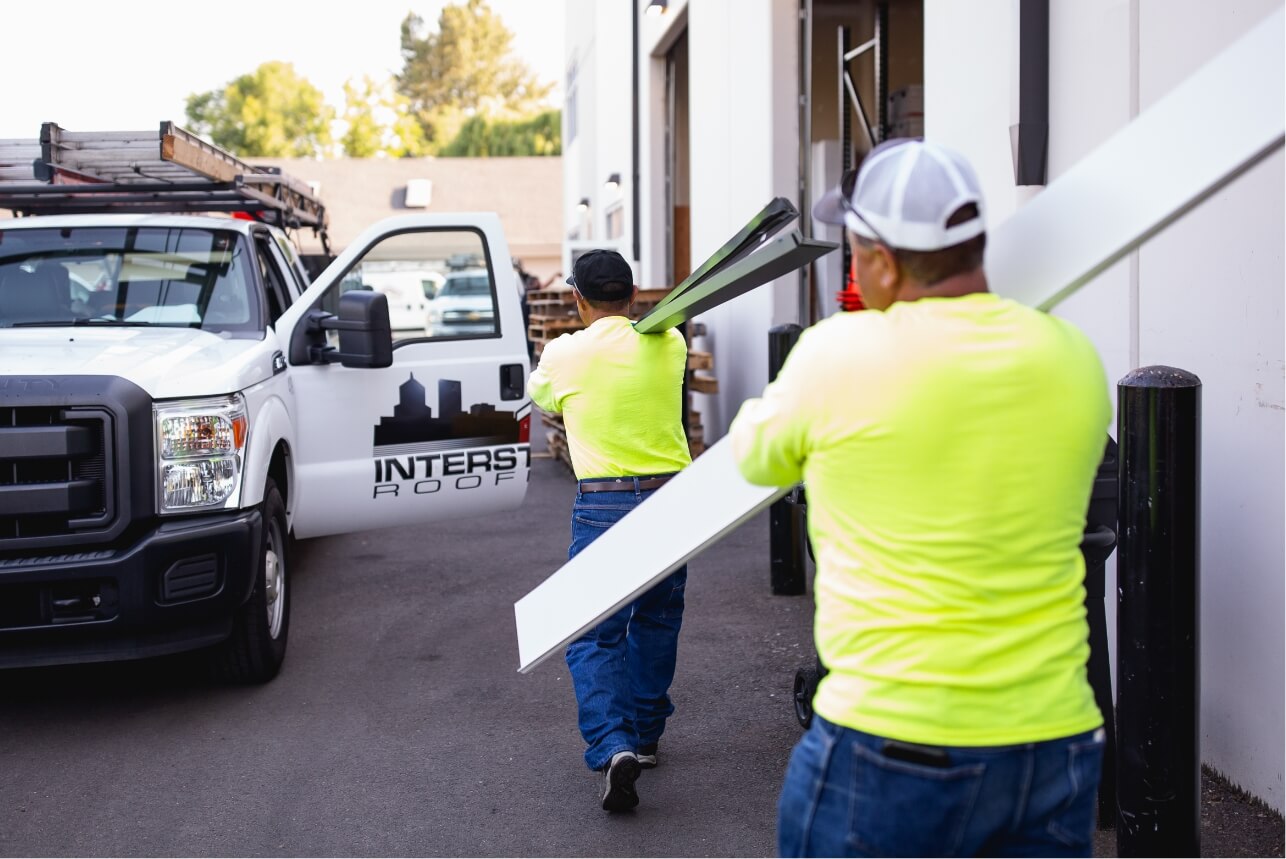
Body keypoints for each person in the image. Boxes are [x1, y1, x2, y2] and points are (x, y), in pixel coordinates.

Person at [729, 139, 1111, 857]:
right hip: (1052, 745)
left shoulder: (836, 356)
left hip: (891, 743)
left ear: (882, 259)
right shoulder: (1072, 356)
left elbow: (756, 457)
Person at [527, 248, 692, 812]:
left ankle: (612, 742)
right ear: (633, 293)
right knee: (657, 616)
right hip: (674, 500)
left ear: (577, 298)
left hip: (606, 504)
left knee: (594, 630)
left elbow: (543, 396)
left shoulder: (565, 354)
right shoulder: (671, 343)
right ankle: (645, 737)